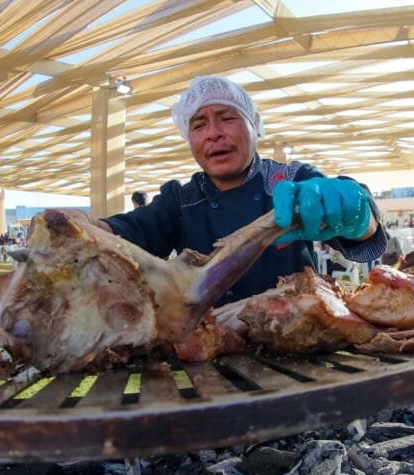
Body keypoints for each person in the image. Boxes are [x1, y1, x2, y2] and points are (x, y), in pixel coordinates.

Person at [60, 75, 386, 305]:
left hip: (298, 334)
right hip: (213, 350)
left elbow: (365, 234)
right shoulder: (181, 199)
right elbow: (132, 231)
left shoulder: (290, 179)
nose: (213, 133)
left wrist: (358, 214)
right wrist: (80, 226)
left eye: (226, 118)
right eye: (199, 125)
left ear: (253, 126)